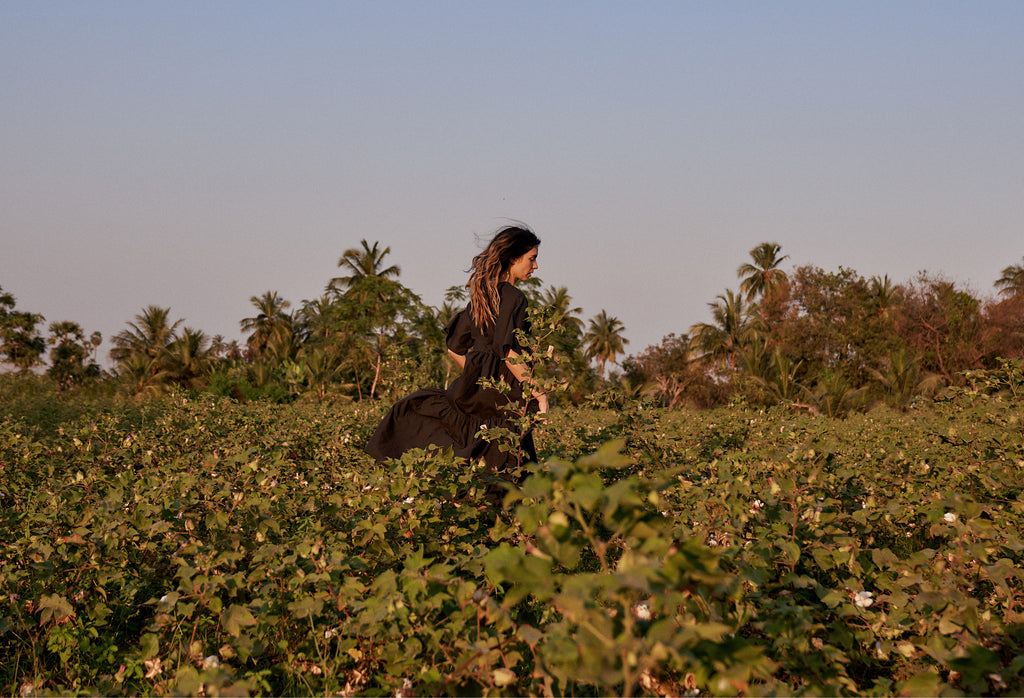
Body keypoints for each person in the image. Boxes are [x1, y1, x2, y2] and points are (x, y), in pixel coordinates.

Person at [365, 225, 548, 478]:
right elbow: (508, 352)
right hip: (502, 401)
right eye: (532, 258)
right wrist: (539, 393)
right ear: (513, 257)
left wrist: (479, 376)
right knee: (511, 472)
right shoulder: (515, 298)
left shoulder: (482, 295)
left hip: (472, 393)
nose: (535, 266)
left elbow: (454, 348)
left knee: (471, 463)